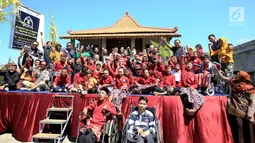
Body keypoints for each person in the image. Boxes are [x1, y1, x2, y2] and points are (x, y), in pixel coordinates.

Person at [213, 69, 255, 143]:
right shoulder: (233, 83)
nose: (236, 76)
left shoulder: (249, 88)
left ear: (242, 77)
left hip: (247, 113)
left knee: (249, 131)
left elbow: (253, 102)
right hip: (236, 111)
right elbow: (223, 78)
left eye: (238, 74)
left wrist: (250, 113)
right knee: (239, 131)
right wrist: (217, 71)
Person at [179, 53, 204, 122]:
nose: (189, 65)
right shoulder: (183, 71)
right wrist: (183, 57)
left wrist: (193, 87)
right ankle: (187, 110)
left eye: (190, 65)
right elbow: (181, 63)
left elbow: (196, 84)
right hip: (184, 88)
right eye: (188, 64)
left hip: (191, 88)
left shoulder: (194, 75)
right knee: (185, 96)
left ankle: (194, 110)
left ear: (192, 66)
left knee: (200, 97)